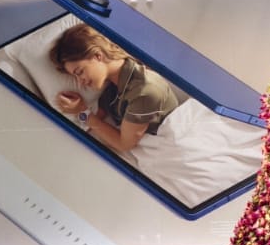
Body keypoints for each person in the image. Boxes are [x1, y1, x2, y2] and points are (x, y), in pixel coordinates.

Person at [49, 22, 187, 155]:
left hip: (175, 146)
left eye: (80, 72)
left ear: (97, 55)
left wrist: (82, 112)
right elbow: (97, 120)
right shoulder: (113, 87)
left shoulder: (145, 91)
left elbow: (124, 144)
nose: (80, 82)